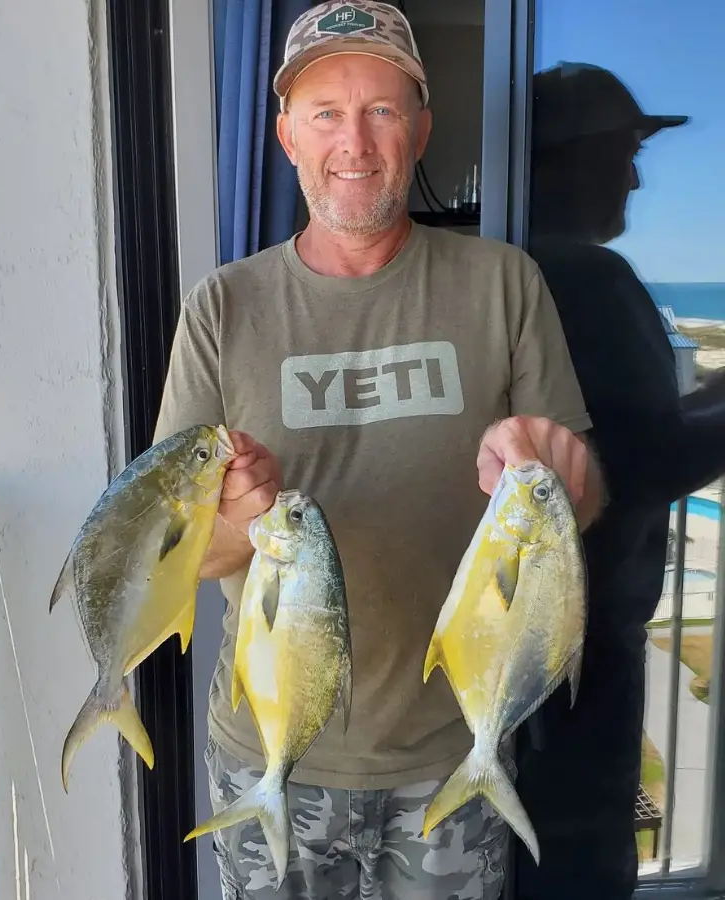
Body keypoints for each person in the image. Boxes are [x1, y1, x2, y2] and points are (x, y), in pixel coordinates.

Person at [154, 4, 603, 898]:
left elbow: (574, 509)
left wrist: (564, 468)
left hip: (452, 749)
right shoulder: (223, 308)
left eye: (383, 110)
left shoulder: (503, 283)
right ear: (285, 135)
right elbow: (181, 558)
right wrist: (239, 524)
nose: (352, 142)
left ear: (422, 127)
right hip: (272, 752)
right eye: (324, 112)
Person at [514, 62, 725, 900]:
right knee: (581, 863)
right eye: (623, 151)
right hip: (589, 647)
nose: (636, 174)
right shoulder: (590, 278)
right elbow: (641, 463)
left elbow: (627, 433)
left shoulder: (518, 272)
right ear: (566, 160)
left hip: (533, 641)